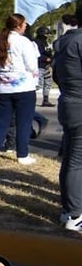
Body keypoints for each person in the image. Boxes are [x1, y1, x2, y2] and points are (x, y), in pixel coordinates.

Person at [0, 13, 39, 165]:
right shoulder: (24, 42)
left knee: (1, 122)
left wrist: (1, 73)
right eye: (24, 23)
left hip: (3, 87)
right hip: (24, 87)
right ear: (18, 26)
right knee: (23, 122)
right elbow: (31, 65)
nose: (26, 26)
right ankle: (22, 154)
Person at [54, 12, 82, 231]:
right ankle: (75, 214)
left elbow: (56, 75)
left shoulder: (65, 42)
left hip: (68, 102)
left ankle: (68, 210)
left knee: (71, 158)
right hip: (79, 103)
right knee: (77, 161)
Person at [35, 26, 55, 107]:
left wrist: (51, 59)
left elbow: (48, 52)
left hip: (46, 67)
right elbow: (37, 55)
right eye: (46, 34)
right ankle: (27, 97)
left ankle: (46, 100)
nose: (47, 36)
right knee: (38, 84)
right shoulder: (36, 43)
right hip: (39, 66)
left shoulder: (45, 43)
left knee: (48, 83)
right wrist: (45, 59)